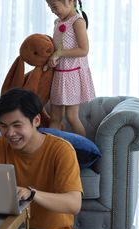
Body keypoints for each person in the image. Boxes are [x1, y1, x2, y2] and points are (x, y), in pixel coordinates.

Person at [0, 88, 83, 229]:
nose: (9, 133)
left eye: (17, 125)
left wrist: (32, 193)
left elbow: (73, 204)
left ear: (36, 120)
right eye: (3, 126)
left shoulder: (61, 150)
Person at [46, 0, 95, 137]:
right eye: (49, 7)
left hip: (71, 76)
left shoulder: (77, 22)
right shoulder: (57, 22)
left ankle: (85, 152)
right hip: (59, 75)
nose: (52, 10)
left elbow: (83, 50)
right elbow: (57, 47)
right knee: (55, 117)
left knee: (72, 117)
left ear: (69, 1)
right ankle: (51, 150)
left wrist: (59, 53)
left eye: (54, 6)